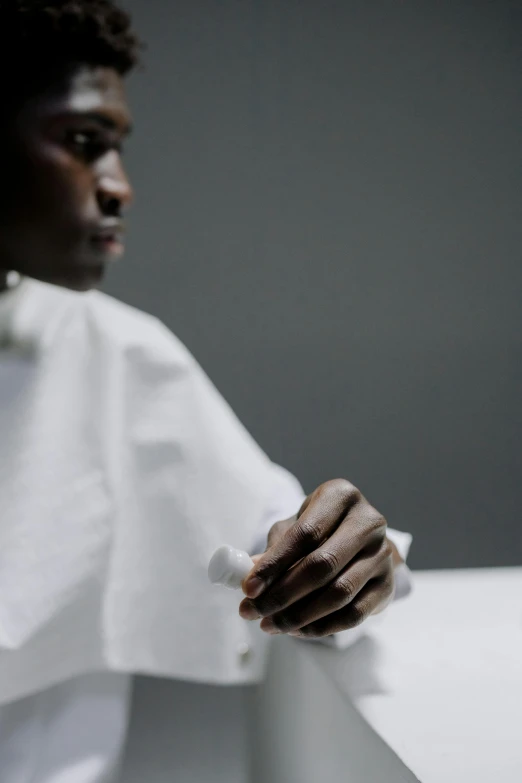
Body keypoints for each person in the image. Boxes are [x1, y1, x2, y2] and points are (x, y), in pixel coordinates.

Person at [0, 1, 412, 780]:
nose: (119, 187)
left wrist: (351, 558)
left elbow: (282, 547)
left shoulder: (110, 353)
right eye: (84, 143)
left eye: (117, 148)